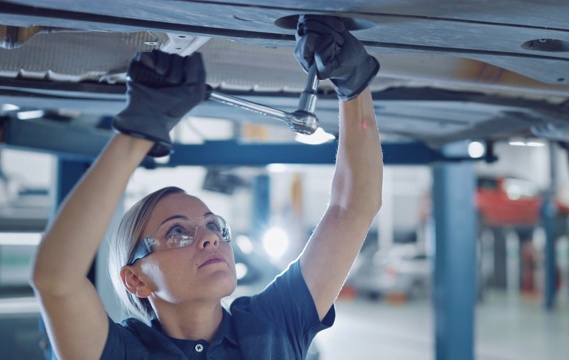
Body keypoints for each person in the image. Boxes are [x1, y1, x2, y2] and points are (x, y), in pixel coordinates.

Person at [30, 15, 382, 360]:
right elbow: (55, 280)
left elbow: (352, 209)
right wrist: (137, 131)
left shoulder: (274, 323)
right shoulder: (123, 352)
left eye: (214, 225)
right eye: (178, 232)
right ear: (136, 280)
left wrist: (354, 86)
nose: (211, 238)